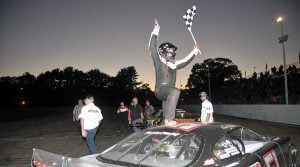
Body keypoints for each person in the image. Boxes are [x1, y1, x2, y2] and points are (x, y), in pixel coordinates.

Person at [148, 19, 201, 126]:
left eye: (173, 51)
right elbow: (152, 48)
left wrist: (194, 51)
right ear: (164, 51)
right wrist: (155, 31)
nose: (173, 53)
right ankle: (169, 119)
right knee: (175, 91)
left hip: (167, 94)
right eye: (171, 51)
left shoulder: (173, 65)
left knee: (170, 99)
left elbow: (185, 61)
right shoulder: (159, 61)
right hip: (161, 90)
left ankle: (165, 122)